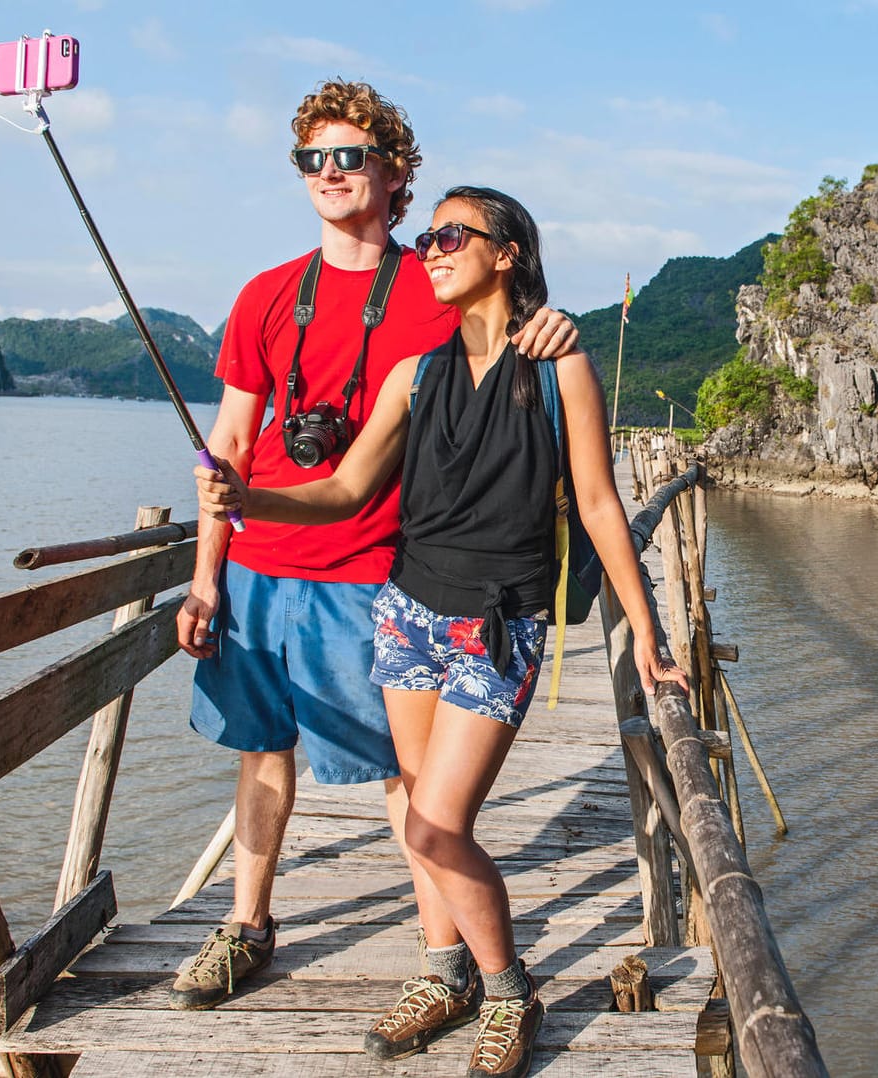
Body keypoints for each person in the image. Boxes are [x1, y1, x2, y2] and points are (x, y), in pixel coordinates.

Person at [196, 185, 685, 1076]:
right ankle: (446, 971)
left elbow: (602, 506)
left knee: (432, 825)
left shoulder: (557, 364)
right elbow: (343, 490)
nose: (432, 246)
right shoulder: (413, 374)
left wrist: (646, 631)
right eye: (428, 236)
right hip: (408, 613)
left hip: (497, 623)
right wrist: (248, 499)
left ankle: (508, 991)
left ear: (506, 255)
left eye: (453, 234)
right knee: (418, 807)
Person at [169, 80, 579, 1016]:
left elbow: (515, 339)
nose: (328, 173)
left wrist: (558, 327)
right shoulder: (267, 294)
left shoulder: (436, 280)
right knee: (260, 751)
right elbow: (226, 449)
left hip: (376, 573)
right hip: (258, 567)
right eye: (311, 159)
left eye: (349, 156)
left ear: (397, 173)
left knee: (407, 782)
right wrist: (203, 582)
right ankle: (247, 926)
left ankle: (442, 958)